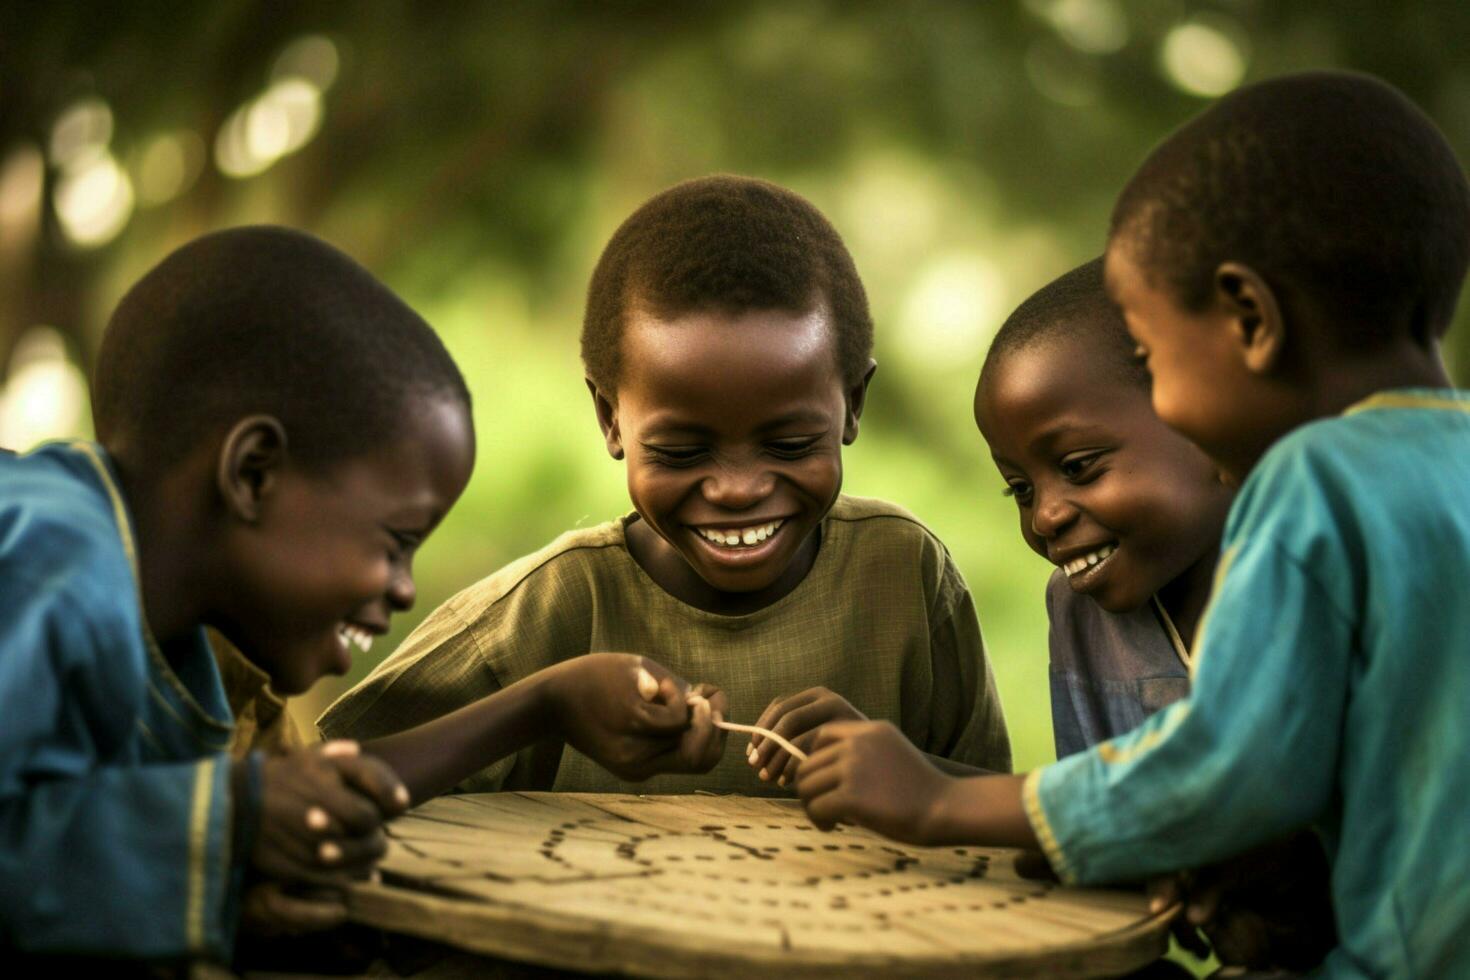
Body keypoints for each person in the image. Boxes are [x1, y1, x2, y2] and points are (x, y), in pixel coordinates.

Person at [794, 71, 1470, 977]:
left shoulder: (1317, 481)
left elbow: (1228, 769)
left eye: (1152, 355)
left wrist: (939, 806)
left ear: (1250, 319)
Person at [0, 227, 725, 962]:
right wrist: (233, 821)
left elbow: (314, 798)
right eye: (394, 543)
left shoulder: (190, 640)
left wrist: (548, 704)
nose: (405, 590)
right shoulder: (49, 558)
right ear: (253, 474)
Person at [320, 175, 1012, 794]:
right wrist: (543, 705)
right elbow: (324, 779)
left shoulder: (903, 575)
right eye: (682, 450)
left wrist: (912, 774)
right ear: (609, 418)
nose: (738, 489)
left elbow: (1010, 809)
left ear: (854, 405)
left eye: (790, 445)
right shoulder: (553, 608)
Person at [975, 259, 1333, 971]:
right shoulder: (1082, 614)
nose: (1045, 515)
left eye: (1079, 466)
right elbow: (1100, 832)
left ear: (1204, 419)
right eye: (1018, 487)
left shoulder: (1326, 575)